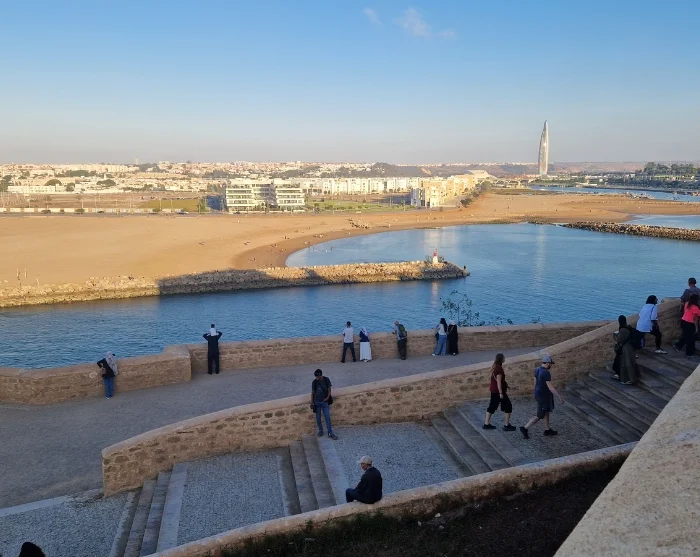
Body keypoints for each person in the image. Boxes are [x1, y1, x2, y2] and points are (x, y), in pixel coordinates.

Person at [520, 355, 565, 439]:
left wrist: (535, 392)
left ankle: (547, 430)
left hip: (539, 394)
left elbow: (535, 381)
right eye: (550, 364)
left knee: (546, 411)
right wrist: (559, 397)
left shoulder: (537, 369)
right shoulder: (546, 372)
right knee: (540, 414)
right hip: (543, 396)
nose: (551, 365)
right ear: (547, 363)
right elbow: (550, 387)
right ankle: (525, 428)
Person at [484, 353, 515, 431]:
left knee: (492, 406)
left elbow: (500, 381)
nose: (505, 359)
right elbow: (498, 382)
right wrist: (501, 393)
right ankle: (506, 425)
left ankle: (486, 424)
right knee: (508, 406)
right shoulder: (499, 369)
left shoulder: (495, 367)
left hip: (494, 390)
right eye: (504, 358)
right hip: (498, 391)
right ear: (501, 359)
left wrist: (506, 386)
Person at [311, 369, 338, 440]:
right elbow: (313, 393)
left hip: (324, 402)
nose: (317, 378)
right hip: (317, 402)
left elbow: (329, 389)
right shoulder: (314, 382)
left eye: (318, 377)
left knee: (327, 417)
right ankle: (320, 431)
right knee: (318, 418)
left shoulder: (326, 379)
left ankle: (330, 432)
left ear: (321, 375)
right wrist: (312, 402)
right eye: (316, 377)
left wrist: (327, 397)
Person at [613, 315, 638, 384]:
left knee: (628, 363)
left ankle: (631, 379)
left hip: (627, 348)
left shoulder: (623, 330)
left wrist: (615, 335)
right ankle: (627, 378)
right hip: (631, 347)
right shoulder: (629, 327)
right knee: (629, 363)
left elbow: (620, 340)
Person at [674, 294, 700, 358]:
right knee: (691, 339)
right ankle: (689, 353)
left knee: (686, 335)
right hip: (690, 324)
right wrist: (696, 328)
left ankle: (678, 345)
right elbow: (695, 319)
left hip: (683, 321)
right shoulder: (695, 308)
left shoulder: (687, 303)